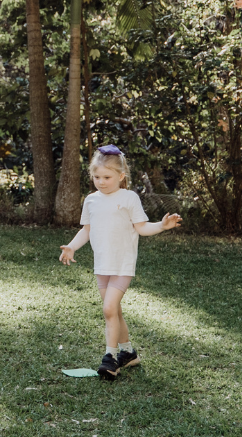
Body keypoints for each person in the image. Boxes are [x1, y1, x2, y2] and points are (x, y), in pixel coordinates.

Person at [59, 145, 181, 380]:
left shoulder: (128, 198)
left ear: (121, 176)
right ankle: (129, 353)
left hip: (122, 264)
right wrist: (72, 247)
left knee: (108, 309)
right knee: (114, 311)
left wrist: (162, 226)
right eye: (96, 177)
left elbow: (142, 228)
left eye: (107, 177)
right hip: (101, 265)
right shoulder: (91, 200)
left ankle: (110, 358)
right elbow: (87, 230)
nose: (101, 182)